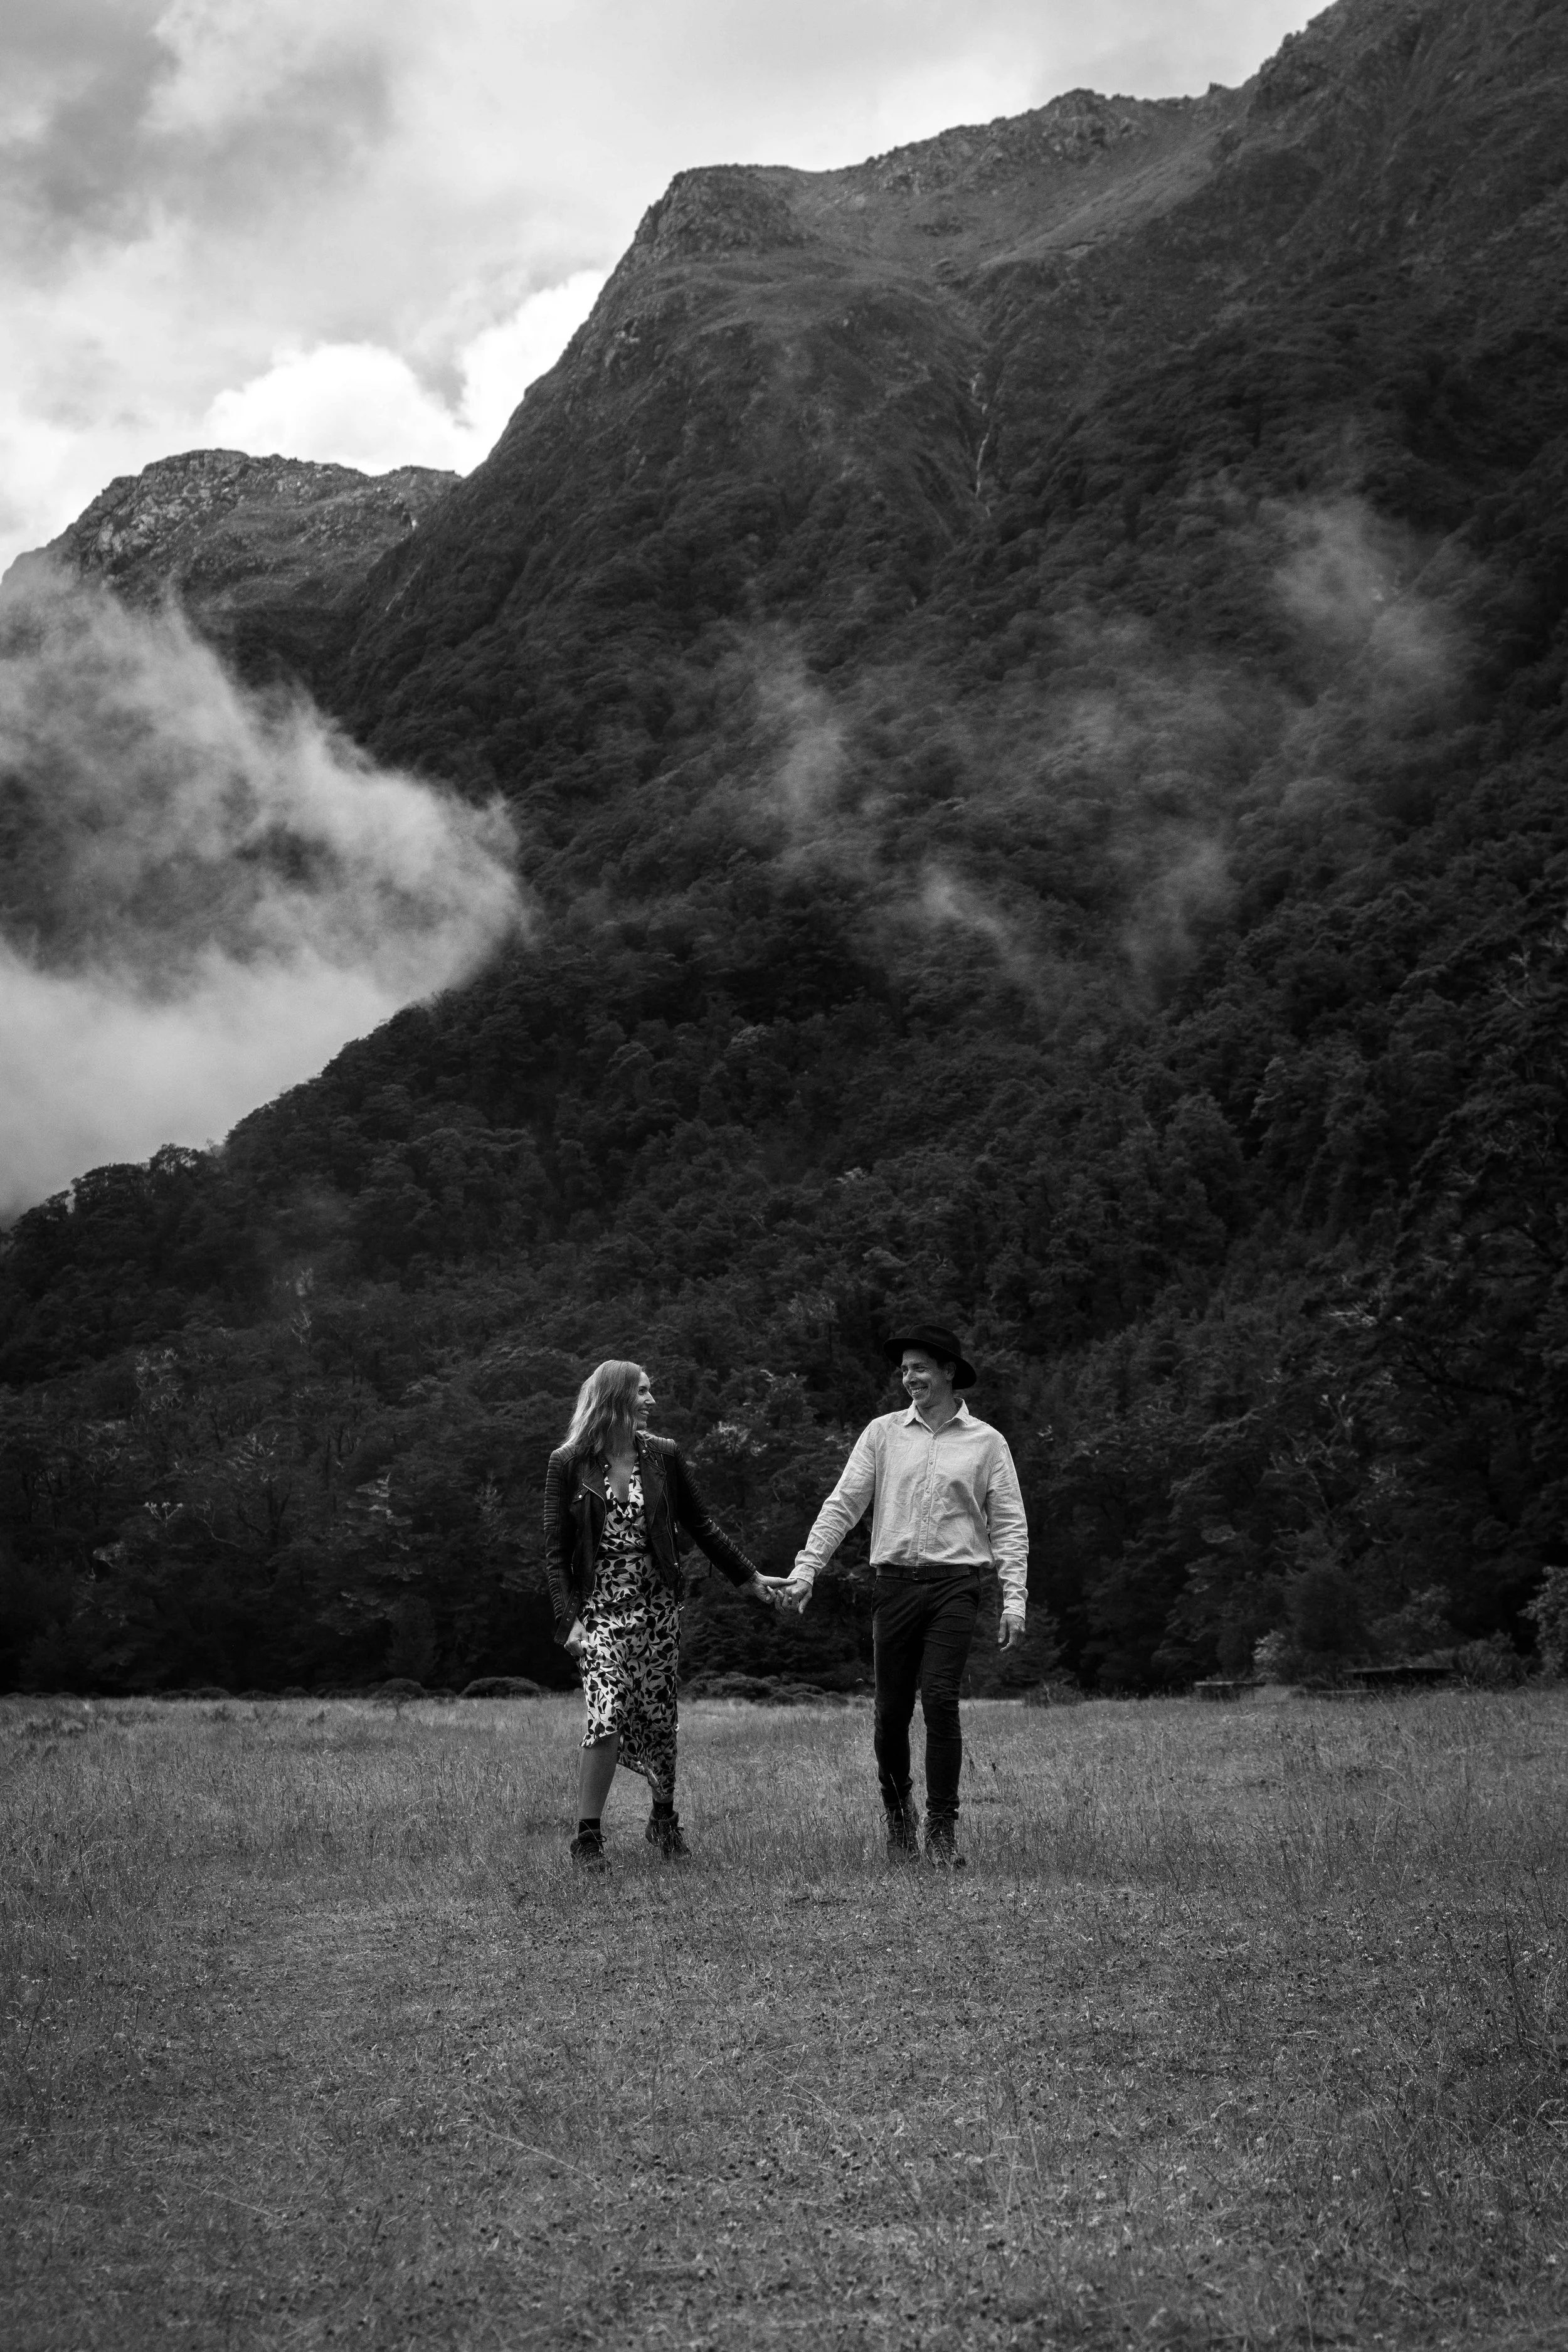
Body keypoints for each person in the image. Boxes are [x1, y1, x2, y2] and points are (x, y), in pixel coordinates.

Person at [775, 1322, 1027, 1867]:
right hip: (894, 1587)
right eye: (904, 1369)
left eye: (918, 1368)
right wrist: (807, 1570)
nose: (908, 1377)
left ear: (948, 1372)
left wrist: (1014, 1599)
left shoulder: (987, 1443)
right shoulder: (882, 1434)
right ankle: (898, 1820)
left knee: (939, 1700)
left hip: (957, 1587)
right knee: (891, 1712)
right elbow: (843, 1504)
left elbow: (1009, 1524)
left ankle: (942, 1829)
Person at [543, 1358, 777, 1868]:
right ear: (615, 1399)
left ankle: (663, 1821)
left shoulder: (664, 1457)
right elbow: (556, 1552)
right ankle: (587, 1838)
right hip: (600, 1612)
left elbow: (701, 1523)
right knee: (604, 1715)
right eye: (643, 1393)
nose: (652, 1402)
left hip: (658, 1610)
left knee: (658, 1717)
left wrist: (749, 1577)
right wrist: (570, 1620)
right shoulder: (568, 1463)